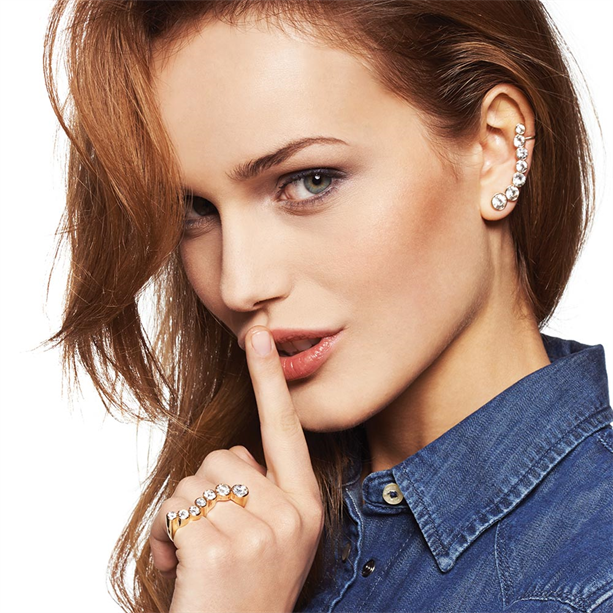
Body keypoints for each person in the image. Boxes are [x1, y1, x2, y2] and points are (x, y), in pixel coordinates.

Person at [42, 0, 613, 611]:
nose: (239, 284)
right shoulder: (252, 534)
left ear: (495, 149)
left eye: (310, 181)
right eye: (195, 210)